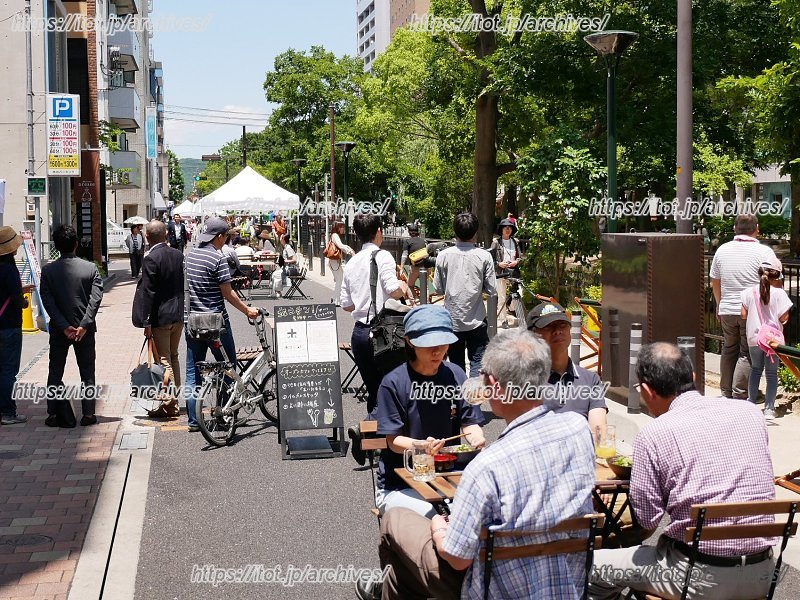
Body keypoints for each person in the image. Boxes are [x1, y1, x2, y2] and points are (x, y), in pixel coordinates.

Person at [358, 328, 596, 600]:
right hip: (568, 582)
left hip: (495, 586)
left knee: (395, 520)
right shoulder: (579, 430)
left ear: (494, 386)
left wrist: (438, 526)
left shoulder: (487, 466)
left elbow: (458, 557)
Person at [589, 342, 777, 600]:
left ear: (647, 390)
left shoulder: (654, 434)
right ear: (694, 378)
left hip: (694, 576)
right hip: (763, 574)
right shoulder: (749, 413)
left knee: (591, 566)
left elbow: (647, 520)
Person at [375, 305, 485, 518]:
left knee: (486, 511)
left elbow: (469, 422)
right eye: (428, 345)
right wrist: (421, 446)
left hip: (450, 476)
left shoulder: (456, 374)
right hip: (401, 483)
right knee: (436, 516)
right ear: (409, 341)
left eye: (442, 343)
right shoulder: (394, 383)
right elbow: (393, 441)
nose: (437, 351)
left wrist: (476, 437)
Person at [341, 214, 413, 463]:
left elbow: (346, 305)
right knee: (394, 389)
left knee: (374, 389)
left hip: (359, 333)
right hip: (385, 333)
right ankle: (366, 434)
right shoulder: (382, 256)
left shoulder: (351, 262)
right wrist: (404, 288)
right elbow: (393, 289)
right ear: (379, 231)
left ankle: (375, 445)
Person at [184, 217, 259, 432]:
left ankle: (193, 421)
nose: (226, 241)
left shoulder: (189, 257)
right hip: (217, 324)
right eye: (226, 237)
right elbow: (228, 293)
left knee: (193, 371)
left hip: (193, 322)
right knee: (228, 368)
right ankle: (224, 415)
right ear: (218, 237)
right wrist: (248, 310)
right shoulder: (217, 259)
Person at [40, 225, 104, 427]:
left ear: (57, 246)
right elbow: (96, 298)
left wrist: (63, 325)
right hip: (85, 330)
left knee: (55, 370)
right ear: (76, 244)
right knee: (87, 371)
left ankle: (53, 412)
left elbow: (47, 300)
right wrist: (84, 324)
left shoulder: (48, 270)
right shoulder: (90, 268)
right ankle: (89, 414)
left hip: (60, 330)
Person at [710, 214, 776, 400]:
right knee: (746, 352)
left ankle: (726, 392)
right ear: (757, 228)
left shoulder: (722, 250)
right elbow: (774, 282)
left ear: (734, 229)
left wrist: (719, 303)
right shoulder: (764, 252)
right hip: (751, 311)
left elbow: (715, 281)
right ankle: (741, 394)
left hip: (727, 308)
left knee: (729, 348)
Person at [526, 302, 607, 434]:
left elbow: (599, 432)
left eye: (562, 325)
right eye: (549, 326)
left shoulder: (591, 380)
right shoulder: (524, 379)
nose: (557, 331)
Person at [132, 220, 185, 416]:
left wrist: (146, 322)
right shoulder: (178, 255)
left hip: (160, 318)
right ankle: (174, 401)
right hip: (178, 315)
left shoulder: (151, 259)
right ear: (166, 234)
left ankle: (170, 405)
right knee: (174, 357)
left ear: (147, 237)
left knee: (164, 361)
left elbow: (149, 293)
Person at [433, 212, 497, 376]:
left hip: (452, 320)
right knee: (477, 363)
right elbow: (491, 289)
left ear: (455, 232)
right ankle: (473, 400)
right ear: (475, 233)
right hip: (476, 319)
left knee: (456, 363)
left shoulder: (443, 255)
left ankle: (459, 398)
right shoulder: (484, 256)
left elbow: (439, 289)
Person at [741, 258, 793, 420]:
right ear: (777, 276)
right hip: (772, 341)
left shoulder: (748, 292)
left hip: (754, 338)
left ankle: (751, 403)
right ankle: (769, 409)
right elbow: (784, 317)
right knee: (771, 374)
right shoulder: (779, 294)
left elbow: (743, 315)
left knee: (756, 369)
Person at [0, 227, 34, 425]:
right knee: (8, 371)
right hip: (9, 326)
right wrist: (25, 301)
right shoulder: (10, 270)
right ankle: (8, 413)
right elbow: (16, 299)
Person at [489, 218, 521, 328]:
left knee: (516, 294)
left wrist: (516, 262)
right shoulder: (496, 243)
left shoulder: (515, 242)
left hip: (513, 272)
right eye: (505, 228)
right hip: (501, 273)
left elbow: (520, 257)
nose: (508, 230)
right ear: (501, 229)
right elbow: (490, 259)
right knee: (501, 297)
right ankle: (503, 320)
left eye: (510, 228)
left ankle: (515, 313)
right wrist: (499, 264)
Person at [328, 220, 354, 307]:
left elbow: (341, 245)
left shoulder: (334, 235)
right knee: (340, 280)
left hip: (334, 261)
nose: (343, 228)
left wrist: (349, 249)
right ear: (338, 227)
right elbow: (341, 246)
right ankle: (336, 300)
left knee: (339, 279)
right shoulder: (335, 235)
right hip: (334, 261)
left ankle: (334, 297)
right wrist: (350, 251)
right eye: (341, 227)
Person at [399, 222, 426, 292]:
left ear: (409, 232)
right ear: (418, 232)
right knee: (425, 286)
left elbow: (404, 255)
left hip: (415, 267)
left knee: (410, 285)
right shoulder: (423, 241)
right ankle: (426, 301)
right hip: (425, 266)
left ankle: (413, 302)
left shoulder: (408, 242)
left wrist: (401, 268)